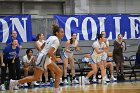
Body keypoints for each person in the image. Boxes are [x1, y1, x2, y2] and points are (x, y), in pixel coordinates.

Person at [9, 24, 64, 93]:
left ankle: (56, 90)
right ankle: (15, 82)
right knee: (35, 77)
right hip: (44, 58)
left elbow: (44, 44)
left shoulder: (51, 37)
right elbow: (50, 52)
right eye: (61, 32)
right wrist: (56, 59)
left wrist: (42, 50)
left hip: (45, 57)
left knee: (59, 72)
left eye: (63, 32)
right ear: (57, 33)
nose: (63, 33)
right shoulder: (56, 41)